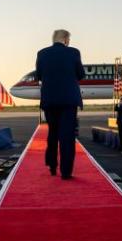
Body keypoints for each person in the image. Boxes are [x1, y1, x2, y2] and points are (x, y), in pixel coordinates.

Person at [35, 29, 85, 179]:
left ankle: (52, 165)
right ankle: (66, 172)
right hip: (69, 101)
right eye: (68, 39)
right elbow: (81, 75)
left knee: (53, 132)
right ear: (65, 39)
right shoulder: (74, 52)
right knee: (67, 136)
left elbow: (39, 75)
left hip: (50, 100)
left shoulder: (42, 53)